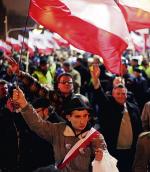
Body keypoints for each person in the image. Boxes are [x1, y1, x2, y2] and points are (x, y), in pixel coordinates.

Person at [12, 87, 115, 172]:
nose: (82, 121)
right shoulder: (57, 130)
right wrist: (24, 104)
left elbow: (105, 160)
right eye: (77, 116)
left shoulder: (96, 137)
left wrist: (101, 159)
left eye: (85, 116)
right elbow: (37, 125)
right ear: (68, 117)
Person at [90, 64, 143, 172]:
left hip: (130, 152)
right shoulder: (108, 106)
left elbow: (139, 128)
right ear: (113, 95)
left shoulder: (134, 108)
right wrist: (96, 79)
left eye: (123, 94)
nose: (120, 96)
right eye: (118, 94)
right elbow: (99, 95)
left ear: (127, 95)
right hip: (112, 151)